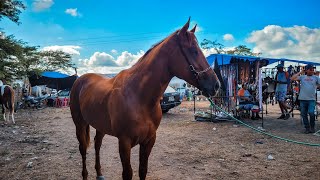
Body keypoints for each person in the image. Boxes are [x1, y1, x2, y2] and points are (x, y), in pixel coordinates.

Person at [291, 64, 320, 134]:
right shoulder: (302, 77)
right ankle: (307, 128)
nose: (312, 71)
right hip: (302, 99)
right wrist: (301, 72)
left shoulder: (316, 78)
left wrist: (317, 87)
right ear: (306, 70)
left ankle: (312, 127)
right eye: (310, 69)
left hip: (311, 99)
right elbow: (292, 78)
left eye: (313, 69)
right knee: (304, 114)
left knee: (311, 113)